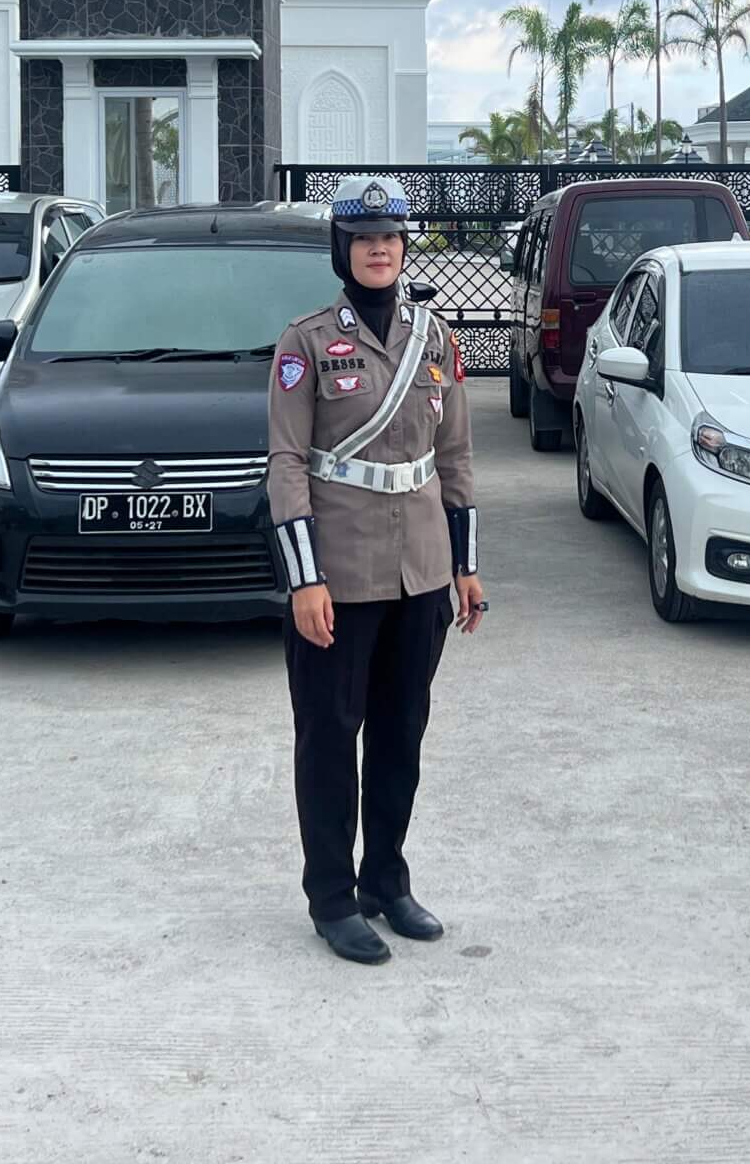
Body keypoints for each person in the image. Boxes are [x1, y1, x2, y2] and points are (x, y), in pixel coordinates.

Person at [265, 175, 486, 965]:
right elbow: (287, 463)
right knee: (329, 738)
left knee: (400, 734)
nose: (380, 250)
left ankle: (386, 882)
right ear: (343, 251)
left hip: (419, 571)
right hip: (341, 575)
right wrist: (305, 579)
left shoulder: (436, 339)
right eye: (364, 239)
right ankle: (331, 896)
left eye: (390, 237)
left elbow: (454, 457)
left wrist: (465, 566)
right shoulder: (304, 344)